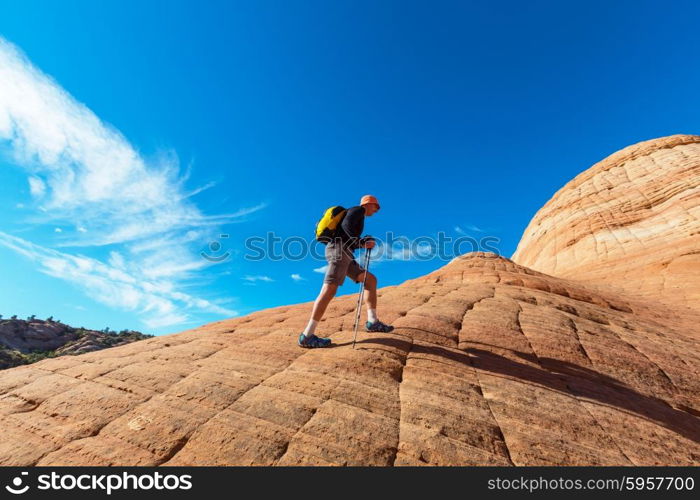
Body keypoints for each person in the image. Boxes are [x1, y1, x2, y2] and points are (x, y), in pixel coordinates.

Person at [298, 195, 395, 348]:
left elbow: (347, 234)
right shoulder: (357, 210)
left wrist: (362, 242)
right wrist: (362, 242)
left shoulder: (358, 215)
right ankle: (307, 336)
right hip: (339, 250)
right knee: (329, 289)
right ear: (369, 204)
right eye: (376, 207)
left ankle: (373, 322)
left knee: (370, 280)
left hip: (345, 253)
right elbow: (347, 226)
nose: (377, 211)